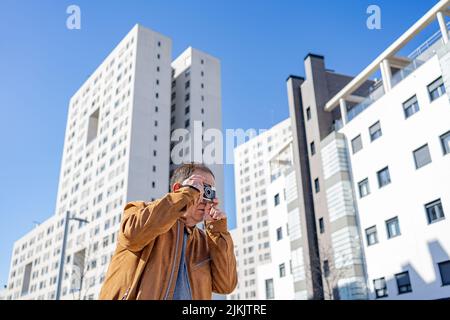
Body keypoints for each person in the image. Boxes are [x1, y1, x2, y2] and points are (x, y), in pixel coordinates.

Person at [99, 163, 238, 300]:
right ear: (178, 189)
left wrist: (217, 229)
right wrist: (187, 195)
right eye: (200, 188)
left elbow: (226, 286)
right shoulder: (143, 211)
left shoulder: (206, 242)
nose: (204, 198)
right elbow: (131, 236)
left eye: (209, 191)